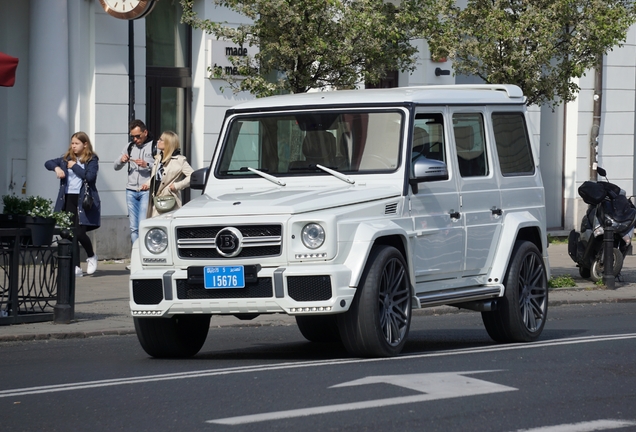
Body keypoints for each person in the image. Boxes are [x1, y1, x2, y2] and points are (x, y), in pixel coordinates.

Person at [45, 131, 101, 277]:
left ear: (85, 144)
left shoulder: (91, 159)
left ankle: (91, 256)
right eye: (72, 143)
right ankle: (76, 267)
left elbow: (89, 177)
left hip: (83, 199)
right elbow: (48, 163)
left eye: (77, 143)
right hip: (68, 198)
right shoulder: (66, 158)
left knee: (80, 232)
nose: (74, 146)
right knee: (70, 233)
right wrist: (57, 168)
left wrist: (74, 166)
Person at [114, 119, 156, 245]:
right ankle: (135, 257)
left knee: (142, 225)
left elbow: (162, 168)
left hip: (146, 190)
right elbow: (115, 166)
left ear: (145, 132)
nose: (135, 140)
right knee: (133, 228)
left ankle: (142, 257)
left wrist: (147, 164)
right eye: (133, 137)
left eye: (138, 136)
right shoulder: (129, 147)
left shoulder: (154, 146)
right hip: (131, 190)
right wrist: (122, 160)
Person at [141, 130, 193, 217]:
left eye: (161, 140)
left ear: (168, 143)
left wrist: (177, 186)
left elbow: (193, 176)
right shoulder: (158, 158)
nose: (158, 141)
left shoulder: (180, 160)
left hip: (169, 202)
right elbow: (157, 177)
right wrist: (147, 184)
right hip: (155, 201)